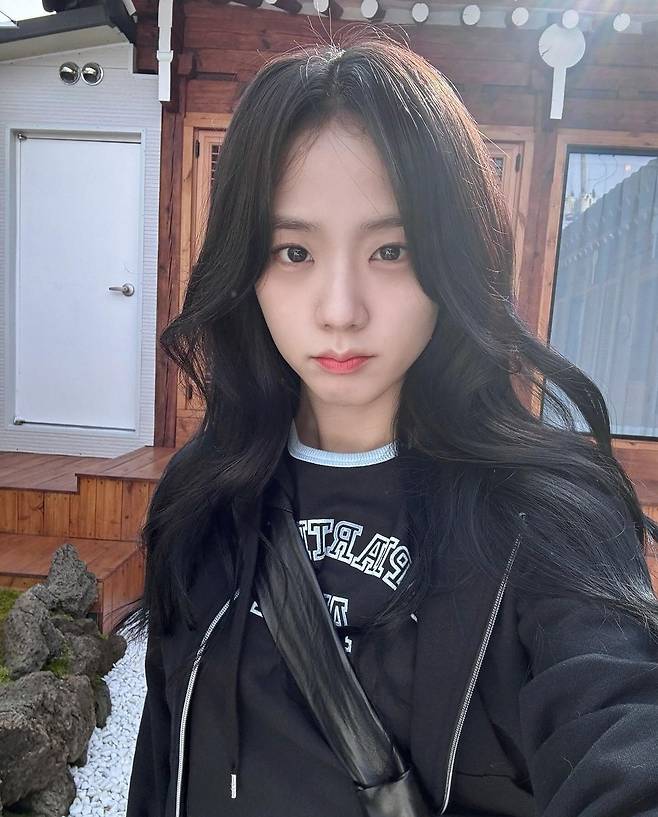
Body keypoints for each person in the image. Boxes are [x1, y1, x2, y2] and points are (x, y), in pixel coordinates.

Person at [122, 29, 658, 817]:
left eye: (392, 249)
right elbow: (161, 760)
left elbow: (621, 727)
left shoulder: (546, 520)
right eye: (294, 251)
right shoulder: (199, 493)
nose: (341, 310)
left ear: (451, 260)